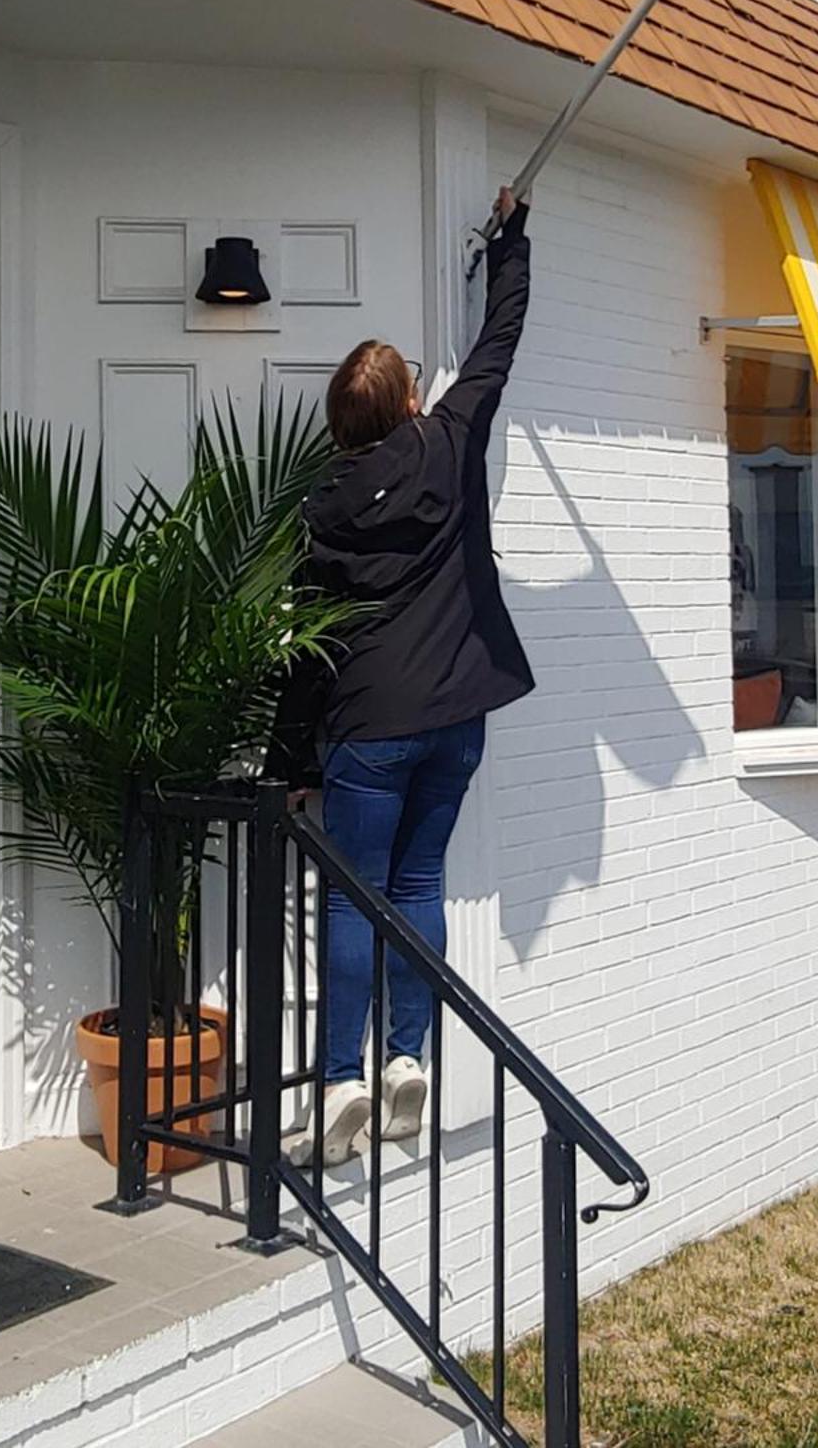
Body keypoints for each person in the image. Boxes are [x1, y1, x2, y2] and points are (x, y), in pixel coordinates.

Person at [273, 188, 534, 1163]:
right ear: (409, 402)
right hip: (454, 715)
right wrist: (510, 238)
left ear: (343, 423)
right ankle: (406, 1059)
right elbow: (501, 338)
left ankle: (341, 1077)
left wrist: (289, 759)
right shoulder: (451, 440)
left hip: (365, 726)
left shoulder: (321, 506)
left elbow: (306, 641)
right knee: (419, 879)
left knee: (353, 896)